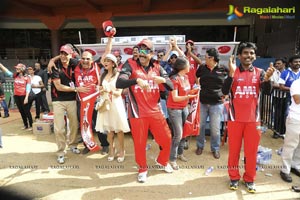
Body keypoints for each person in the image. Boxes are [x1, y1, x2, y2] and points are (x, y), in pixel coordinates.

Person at [116, 38, 174, 183]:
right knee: (140, 143)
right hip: (138, 113)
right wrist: (136, 81)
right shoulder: (130, 64)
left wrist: (163, 80)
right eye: (139, 50)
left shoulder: (157, 66)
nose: (141, 54)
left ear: (151, 53)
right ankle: (142, 169)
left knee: (166, 139)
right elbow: (119, 82)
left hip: (155, 111)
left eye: (145, 51)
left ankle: (162, 161)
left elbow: (171, 86)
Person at [223, 42, 274, 193]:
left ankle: (250, 179)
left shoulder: (260, 72)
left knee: (251, 152)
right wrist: (231, 74)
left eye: (251, 53)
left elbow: (268, 92)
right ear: (239, 56)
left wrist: (268, 79)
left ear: (255, 56)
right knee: (234, 151)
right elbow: (224, 91)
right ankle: (233, 177)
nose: (248, 56)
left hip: (253, 120)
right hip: (235, 119)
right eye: (245, 53)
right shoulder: (232, 72)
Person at [49, 44, 89, 164]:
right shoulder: (55, 66)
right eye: (61, 53)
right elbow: (58, 86)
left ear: (71, 55)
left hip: (72, 99)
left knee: (74, 125)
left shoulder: (75, 62)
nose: (63, 56)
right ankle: (61, 152)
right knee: (59, 128)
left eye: (66, 53)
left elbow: (88, 62)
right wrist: (76, 89)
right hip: (58, 100)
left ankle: (73, 144)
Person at [95, 53, 130, 162]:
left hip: (116, 104)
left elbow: (119, 92)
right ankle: (111, 150)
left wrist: (108, 90)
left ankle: (122, 151)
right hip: (105, 104)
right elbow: (100, 89)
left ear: (114, 64)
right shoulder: (102, 75)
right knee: (109, 130)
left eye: (108, 61)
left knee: (119, 129)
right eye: (105, 60)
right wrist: (100, 90)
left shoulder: (119, 75)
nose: (105, 63)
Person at [195, 48, 227, 159]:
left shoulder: (223, 69)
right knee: (201, 126)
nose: (204, 59)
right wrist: (197, 86)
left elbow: (230, 81)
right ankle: (200, 146)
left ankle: (215, 148)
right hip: (203, 102)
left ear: (212, 58)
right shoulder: (202, 68)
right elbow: (196, 76)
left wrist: (226, 94)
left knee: (215, 128)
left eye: (206, 57)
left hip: (217, 103)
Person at [167, 57, 197, 170]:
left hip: (184, 107)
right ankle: (172, 159)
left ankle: (180, 154)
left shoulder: (185, 77)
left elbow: (186, 91)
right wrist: (188, 97)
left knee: (184, 132)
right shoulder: (174, 79)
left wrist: (194, 91)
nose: (190, 66)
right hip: (174, 109)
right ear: (182, 67)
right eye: (188, 65)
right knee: (178, 134)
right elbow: (175, 98)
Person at [280, 70, 300, 183]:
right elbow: (297, 100)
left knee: (299, 146)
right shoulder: (297, 83)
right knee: (290, 145)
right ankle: (285, 170)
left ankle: (295, 165)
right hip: (295, 119)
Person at [270, 58, 287, 138]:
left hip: (287, 97)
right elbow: (272, 84)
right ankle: (276, 132)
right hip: (276, 96)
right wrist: (282, 86)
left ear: (284, 64)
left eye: (279, 63)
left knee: (285, 115)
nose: (277, 65)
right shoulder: (274, 72)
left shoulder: (288, 72)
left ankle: (283, 132)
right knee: (277, 114)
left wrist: (282, 86)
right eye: (276, 63)